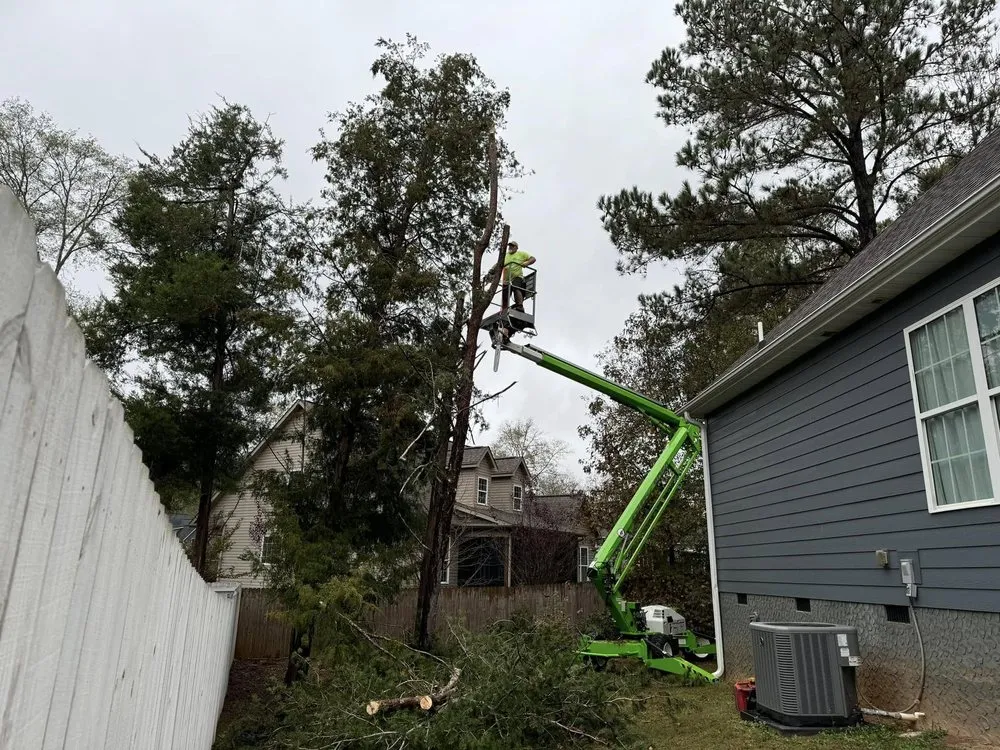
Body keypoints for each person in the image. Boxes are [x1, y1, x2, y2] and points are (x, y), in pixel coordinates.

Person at [501, 240, 535, 311]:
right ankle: (504, 310)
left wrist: (527, 263)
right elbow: (498, 265)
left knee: (516, 287)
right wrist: (492, 271)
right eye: (509, 246)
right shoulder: (505, 256)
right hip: (506, 280)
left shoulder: (521, 254)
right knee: (505, 296)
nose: (510, 247)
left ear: (516, 247)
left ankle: (520, 306)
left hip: (517, 276)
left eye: (512, 246)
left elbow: (533, 259)